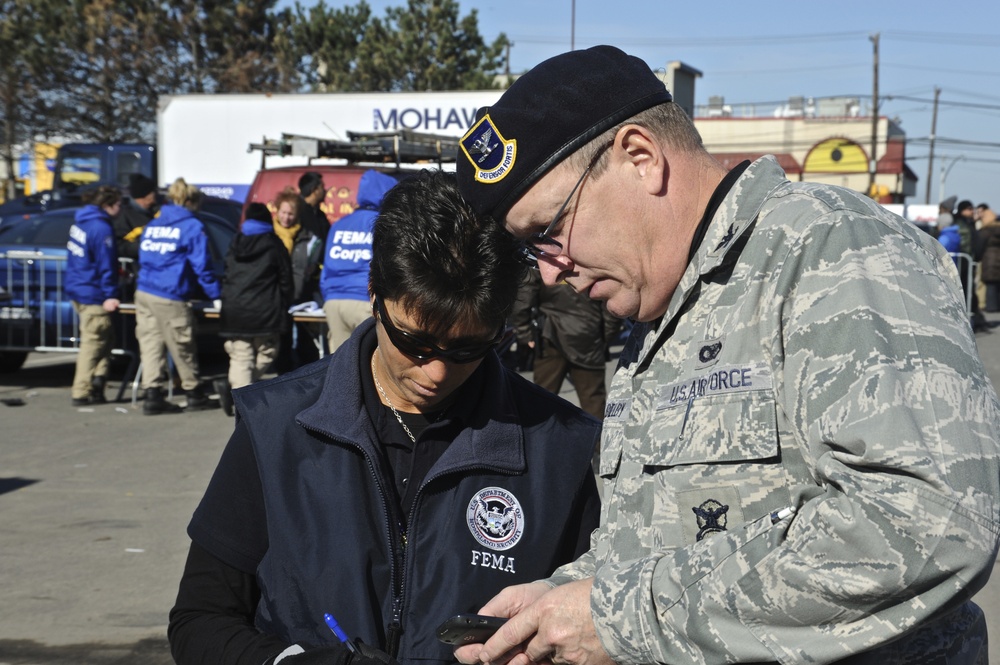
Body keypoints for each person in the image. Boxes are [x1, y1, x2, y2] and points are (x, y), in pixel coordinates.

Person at [454, 45, 1000, 664]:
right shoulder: (658, 310)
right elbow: (669, 541)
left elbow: (927, 521)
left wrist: (619, 620)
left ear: (641, 157)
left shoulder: (830, 250)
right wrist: (554, 607)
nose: (550, 273)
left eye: (548, 234)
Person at [167, 170, 601, 665]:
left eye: (469, 348)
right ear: (374, 293)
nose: (436, 372)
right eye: (415, 342)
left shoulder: (559, 447)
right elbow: (200, 622)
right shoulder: (275, 427)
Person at [134, 177, 221, 415]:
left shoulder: (155, 223)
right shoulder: (191, 226)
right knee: (181, 344)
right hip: (170, 295)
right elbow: (202, 265)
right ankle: (194, 393)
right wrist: (215, 294)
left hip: (144, 291)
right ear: (192, 201)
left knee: (151, 344)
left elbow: (145, 257)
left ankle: (152, 395)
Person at [216, 202, 294, 416]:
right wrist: (287, 302)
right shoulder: (274, 243)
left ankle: (234, 386)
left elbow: (227, 272)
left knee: (241, 358)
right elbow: (286, 279)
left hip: (234, 310)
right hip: (265, 311)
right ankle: (241, 402)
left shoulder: (236, 241)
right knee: (268, 353)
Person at [512, 270, 620, 424]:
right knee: (593, 402)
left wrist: (524, 332)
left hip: (550, 335)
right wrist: (604, 335)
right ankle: (600, 446)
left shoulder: (547, 256)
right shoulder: (593, 256)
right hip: (587, 334)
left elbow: (524, 295)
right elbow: (611, 301)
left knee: (541, 401)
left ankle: (537, 445)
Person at [320, 170, 397, 352]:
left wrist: (328, 295)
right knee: (371, 362)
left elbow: (327, 266)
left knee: (339, 364)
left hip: (334, 301)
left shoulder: (339, 224)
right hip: (364, 300)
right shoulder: (382, 224)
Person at [65, 185, 122, 406]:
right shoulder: (101, 228)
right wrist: (110, 293)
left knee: (105, 341)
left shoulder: (81, 222)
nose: (120, 209)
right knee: (93, 343)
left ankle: (98, 383)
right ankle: (81, 390)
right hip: (94, 293)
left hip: (79, 289)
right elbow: (105, 265)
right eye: (118, 204)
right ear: (107, 205)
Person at [273, 187, 324, 371]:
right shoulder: (270, 235)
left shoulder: (308, 238)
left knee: (306, 346)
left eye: (291, 214)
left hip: (300, 300)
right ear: (277, 211)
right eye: (283, 212)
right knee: (281, 348)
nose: (286, 218)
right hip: (277, 300)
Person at [113, 172, 158, 261]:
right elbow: (118, 245)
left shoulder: (155, 211)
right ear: (146, 196)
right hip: (137, 266)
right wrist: (146, 247)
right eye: (153, 192)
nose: (156, 195)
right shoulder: (124, 216)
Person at [976, 203, 1000, 312]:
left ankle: (991, 307)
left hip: (989, 260)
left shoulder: (986, 231)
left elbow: (979, 246)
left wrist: (977, 257)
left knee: (990, 284)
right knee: (996, 285)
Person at [297, 171, 330, 246]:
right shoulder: (297, 213)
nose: (325, 191)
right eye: (322, 187)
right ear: (314, 190)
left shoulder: (320, 215)